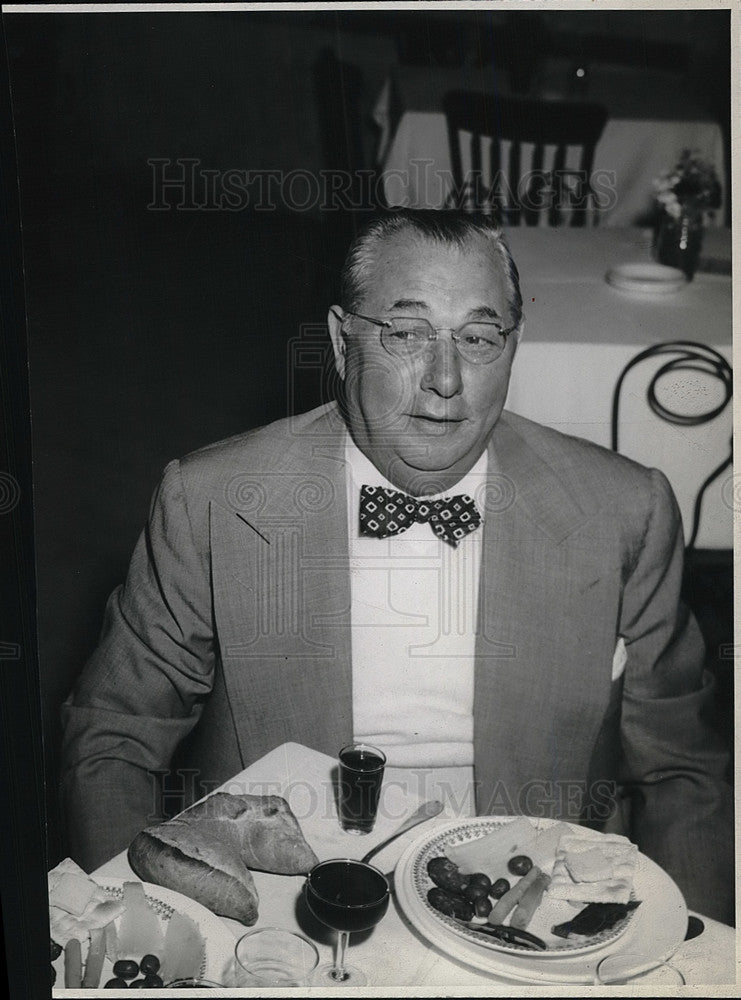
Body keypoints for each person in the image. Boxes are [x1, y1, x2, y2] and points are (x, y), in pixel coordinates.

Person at [60, 209, 732, 921]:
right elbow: (114, 732)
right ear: (341, 342)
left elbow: (684, 772)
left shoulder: (623, 509)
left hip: (541, 902)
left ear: (513, 346)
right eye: (406, 334)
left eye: (477, 338)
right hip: (286, 898)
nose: (444, 379)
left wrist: (706, 953)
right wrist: (135, 922)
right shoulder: (212, 500)